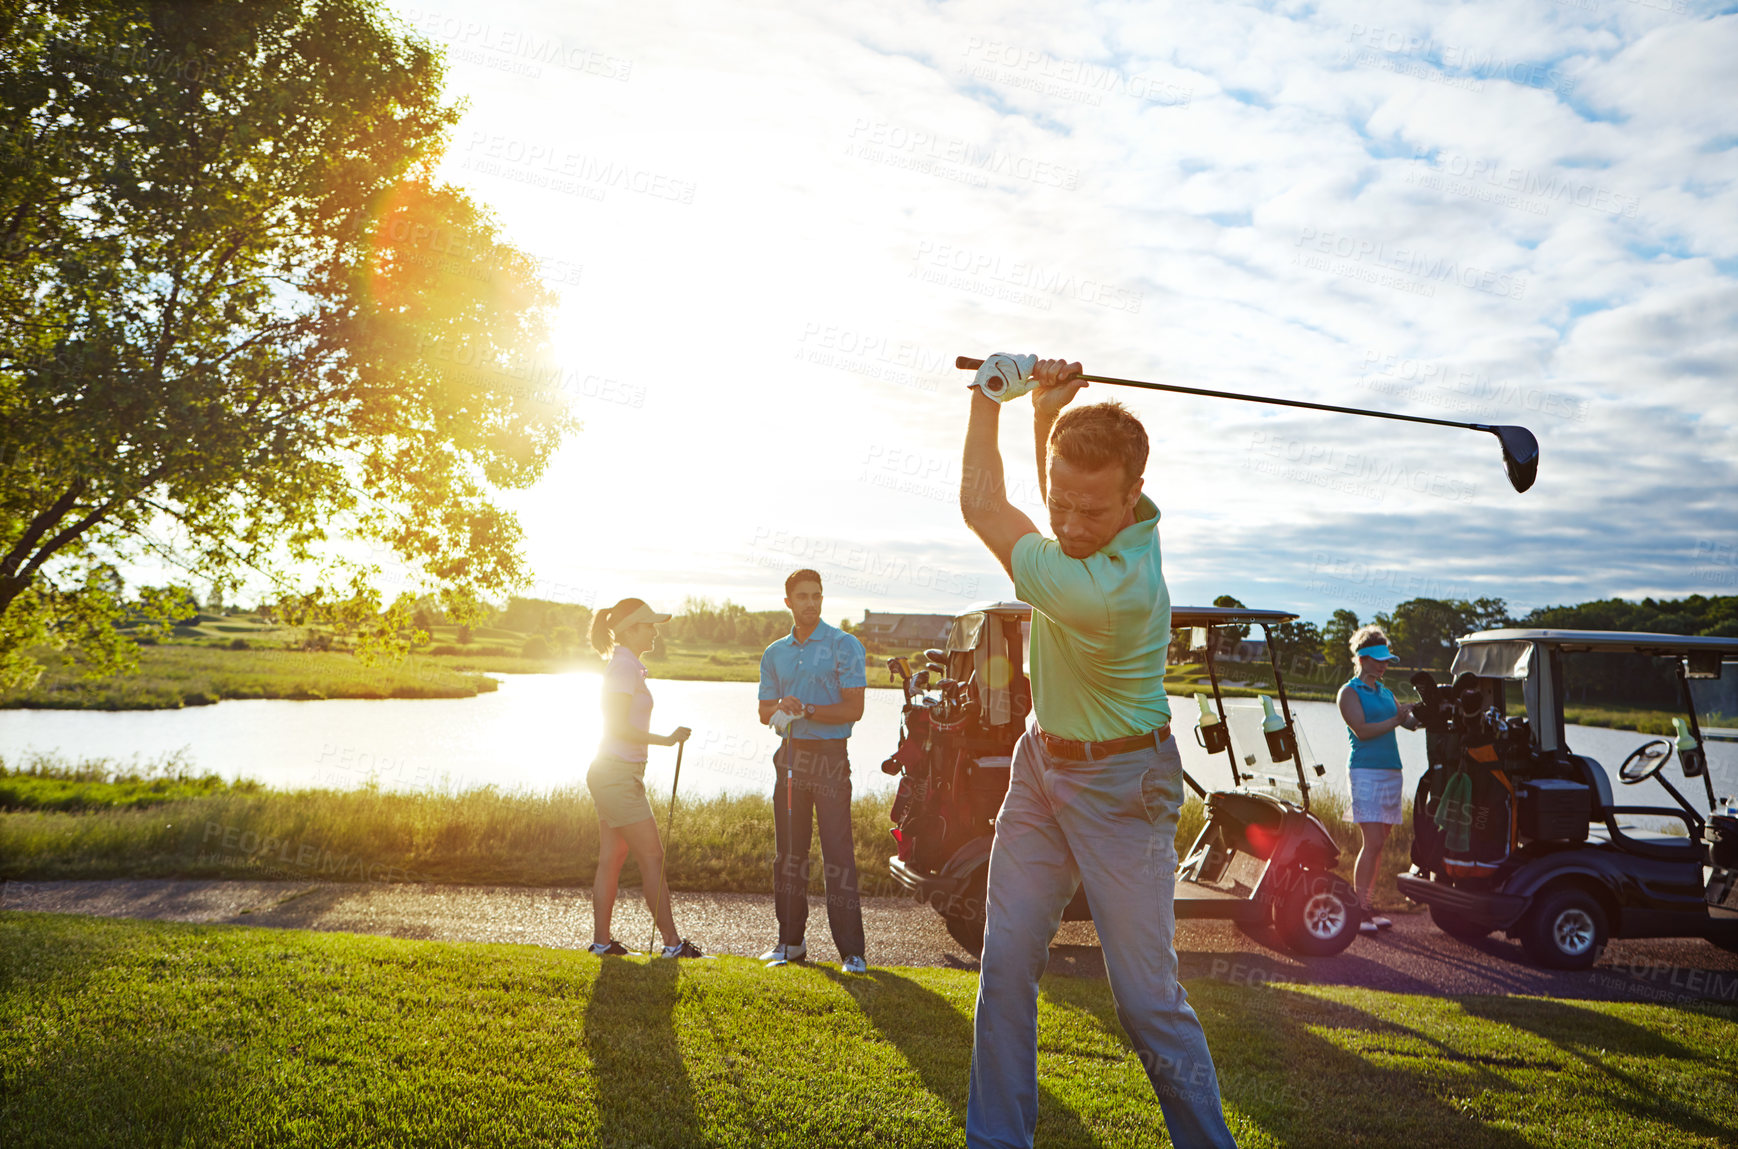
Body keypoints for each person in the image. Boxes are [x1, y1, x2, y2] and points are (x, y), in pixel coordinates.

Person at [959, 358, 1237, 1148]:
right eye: (1060, 506)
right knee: (1006, 964)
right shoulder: (1108, 519)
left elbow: (982, 504)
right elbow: (1067, 492)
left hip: (1124, 786)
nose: (1071, 526)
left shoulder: (1107, 590)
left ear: (1132, 497)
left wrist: (988, 398)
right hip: (1042, 766)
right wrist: (1045, 411)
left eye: (1091, 511)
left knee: (1146, 1000)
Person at [756, 568, 869, 974]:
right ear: (788, 601)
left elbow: (854, 709)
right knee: (789, 854)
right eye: (802, 596)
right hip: (788, 755)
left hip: (830, 758)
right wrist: (780, 707)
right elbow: (763, 712)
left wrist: (808, 710)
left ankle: (852, 952)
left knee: (838, 853)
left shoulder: (844, 645)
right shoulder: (774, 653)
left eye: (816, 596)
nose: (810, 602)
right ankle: (790, 943)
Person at [585, 597, 703, 959]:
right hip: (616, 775)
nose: (654, 631)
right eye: (648, 625)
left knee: (613, 857)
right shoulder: (622, 668)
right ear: (630, 629)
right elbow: (618, 727)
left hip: (616, 773)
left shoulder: (627, 666)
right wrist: (666, 740)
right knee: (653, 857)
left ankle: (602, 945)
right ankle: (672, 944)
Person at [1336, 624, 1418, 933]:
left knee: (1379, 844)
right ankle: (1359, 912)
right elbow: (1363, 730)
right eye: (1379, 659)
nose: (1384, 665)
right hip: (1365, 772)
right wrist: (1396, 719)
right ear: (1363, 658)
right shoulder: (1348, 692)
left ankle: (1366, 908)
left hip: (1390, 772)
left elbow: (1409, 724)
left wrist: (1427, 711)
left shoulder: (1385, 692)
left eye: (1386, 660)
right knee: (1371, 843)